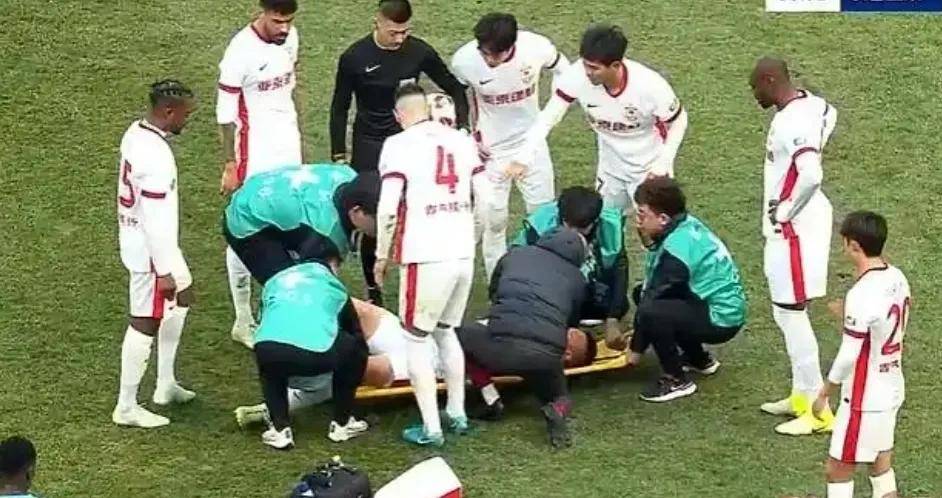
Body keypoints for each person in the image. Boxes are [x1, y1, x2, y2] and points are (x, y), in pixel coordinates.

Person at [330, 0, 471, 306]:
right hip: (370, 145)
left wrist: (462, 129)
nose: (399, 38)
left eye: (405, 32)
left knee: (422, 207)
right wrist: (338, 154)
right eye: (394, 32)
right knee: (374, 217)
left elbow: (455, 87)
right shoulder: (355, 57)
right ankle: (373, 289)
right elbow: (340, 107)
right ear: (377, 23)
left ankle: (427, 274)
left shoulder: (418, 51)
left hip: (410, 142)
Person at [373, 83, 489, 446]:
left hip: (424, 254)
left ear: (398, 115)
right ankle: (457, 413)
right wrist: (472, 238)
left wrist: (381, 255)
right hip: (461, 251)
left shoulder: (397, 145)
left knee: (415, 338)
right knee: (446, 330)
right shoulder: (462, 141)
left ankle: (431, 428)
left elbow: (388, 208)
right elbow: (486, 198)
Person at [510, 24, 688, 212]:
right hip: (611, 168)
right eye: (585, 64)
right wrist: (524, 155)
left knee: (653, 225)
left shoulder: (650, 86)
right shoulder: (577, 75)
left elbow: (679, 120)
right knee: (605, 220)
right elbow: (549, 116)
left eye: (594, 68)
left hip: (649, 168)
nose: (588, 72)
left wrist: (663, 163)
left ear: (616, 65)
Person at [750, 57, 839, 435]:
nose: (754, 94)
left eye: (756, 86)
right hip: (799, 225)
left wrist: (786, 211)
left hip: (794, 231)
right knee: (785, 312)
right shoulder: (812, 105)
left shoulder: (792, 122)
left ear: (770, 80)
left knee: (791, 314)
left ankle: (818, 411)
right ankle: (801, 395)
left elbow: (812, 175)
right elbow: (830, 114)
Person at [450, 12, 569, 279]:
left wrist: (551, 114)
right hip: (490, 152)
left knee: (542, 216)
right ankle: (498, 284)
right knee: (493, 221)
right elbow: (459, 94)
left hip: (532, 146)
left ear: (511, 46)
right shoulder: (464, 61)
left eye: (495, 55)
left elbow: (564, 70)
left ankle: (542, 279)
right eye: (484, 53)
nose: (488, 60)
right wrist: (470, 135)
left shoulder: (536, 48)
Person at [217, 0, 304, 345]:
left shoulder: (291, 38)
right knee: (246, 230)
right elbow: (225, 116)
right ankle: (243, 318)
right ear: (263, 12)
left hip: (288, 149)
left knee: (290, 226)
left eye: (289, 20)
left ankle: (282, 308)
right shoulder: (239, 53)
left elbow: (290, 92)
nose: (284, 28)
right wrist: (230, 164)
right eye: (278, 21)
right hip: (254, 156)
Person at [462, 228, 597, 449]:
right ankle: (557, 409)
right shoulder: (577, 280)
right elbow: (569, 322)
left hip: (501, 346)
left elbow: (494, 293)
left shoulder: (515, 255)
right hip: (545, 356)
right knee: (560, 394)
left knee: (457, 336)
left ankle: (490, 396)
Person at [113, 80, 196, 428]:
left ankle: (165, 383)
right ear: (168, 111)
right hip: (151, 250)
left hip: (152, 243)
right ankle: (127, 406)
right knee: (145, 321)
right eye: (185, 114)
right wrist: (163, 269)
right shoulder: (156, 158)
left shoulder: (136, 133)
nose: (187, 120)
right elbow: (154, 216)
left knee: (185, 293)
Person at [812, 211, 910, 498]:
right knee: (880, 466)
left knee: (838, 470)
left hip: (863, 399)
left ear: (853, 245)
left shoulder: (862, 293)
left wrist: (824, 392)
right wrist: (848, 315)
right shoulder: (897, 277)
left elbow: (849, 354)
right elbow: (885, 321)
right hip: (892, 386)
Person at [234, 298, 441, 428]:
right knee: (353, 309)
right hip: (422, 338)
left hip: (431, 360)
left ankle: (273, 406)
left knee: (352, 369)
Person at [628, 178, 746, 402]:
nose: (638, 221)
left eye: (643, 215)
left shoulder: (676, 250)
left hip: (720, 319)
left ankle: (676, 379)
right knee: (644, 296)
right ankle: (699, 359)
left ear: (663, 219)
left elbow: (652, 298)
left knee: (654, 312)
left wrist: (636, 349)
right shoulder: (685, 226)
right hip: (719, 307)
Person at [222, 163, 380, 317]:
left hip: (262, 190)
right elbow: (321, 285)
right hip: (246, 222)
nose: (385, 229)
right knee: (295, 293)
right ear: (356, 211)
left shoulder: (349, 176)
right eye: (379, 221)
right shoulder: (326, 233)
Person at [252, 261, 370, 450]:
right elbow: (354, 330)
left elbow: (263, 320)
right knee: (356, 348)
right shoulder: (332, 285)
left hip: (268, 350)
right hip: (316, 354)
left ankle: (280, 430)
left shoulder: (274, 282)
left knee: (269, 364)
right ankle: (342, 423)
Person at [510, 186, 629, 346]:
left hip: (588, 286)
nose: (573, 234)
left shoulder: (609, 226)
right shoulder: (540, 227)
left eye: (581, 228)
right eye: (568, 226)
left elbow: (620, 271)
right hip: (545, 289)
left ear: (595, 221)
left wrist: (612, 319)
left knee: (615, 303)